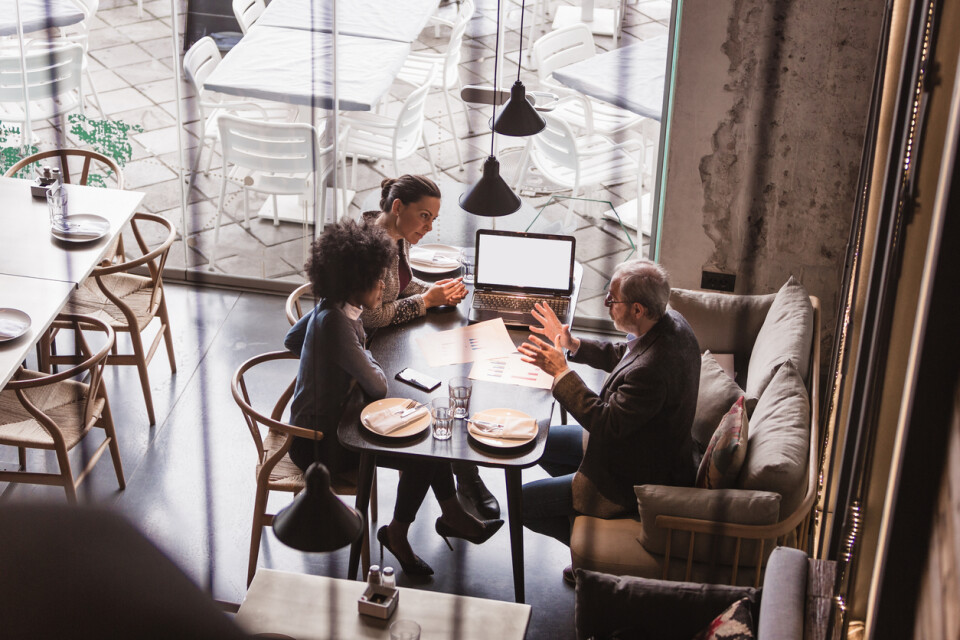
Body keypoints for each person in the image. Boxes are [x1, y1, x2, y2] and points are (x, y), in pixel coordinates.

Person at [284, 221, 502, 577]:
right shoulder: (338, 323)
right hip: (319, 445)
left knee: (427, 437)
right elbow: (379, 386)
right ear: (355, 283)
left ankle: (447, 515)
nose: (384, 286)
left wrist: (327, 368)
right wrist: (354, 357)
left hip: (330, 418)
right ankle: (402, 533)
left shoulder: (331, 305)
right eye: (376, 279)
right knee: (422, 449)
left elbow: (293, 340)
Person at [517, 259, 700, 568]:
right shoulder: (671, 323)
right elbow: (625, 354)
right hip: (637, 442)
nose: (605, 303)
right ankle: (576, 501)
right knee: (539, 439)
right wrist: (572, 344)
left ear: (638, 310)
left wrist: (561, 373)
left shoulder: (653, 370)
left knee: (521, 503)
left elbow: (605, 424)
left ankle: (589, 561)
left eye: (612, 299)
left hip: (633, 472)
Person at [360, 175, 501, 520]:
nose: (430, 226)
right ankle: (465, 478)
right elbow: (372, 318)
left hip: (390, 341)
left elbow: (400, 285)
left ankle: (460, 491)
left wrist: (439, 291)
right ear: (397, 208)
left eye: (434, 219)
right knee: (437, 401)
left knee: (447, 387)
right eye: (424, 216)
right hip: (370, 355)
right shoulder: (370, 250)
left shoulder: (395, 236)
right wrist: (427, 301)